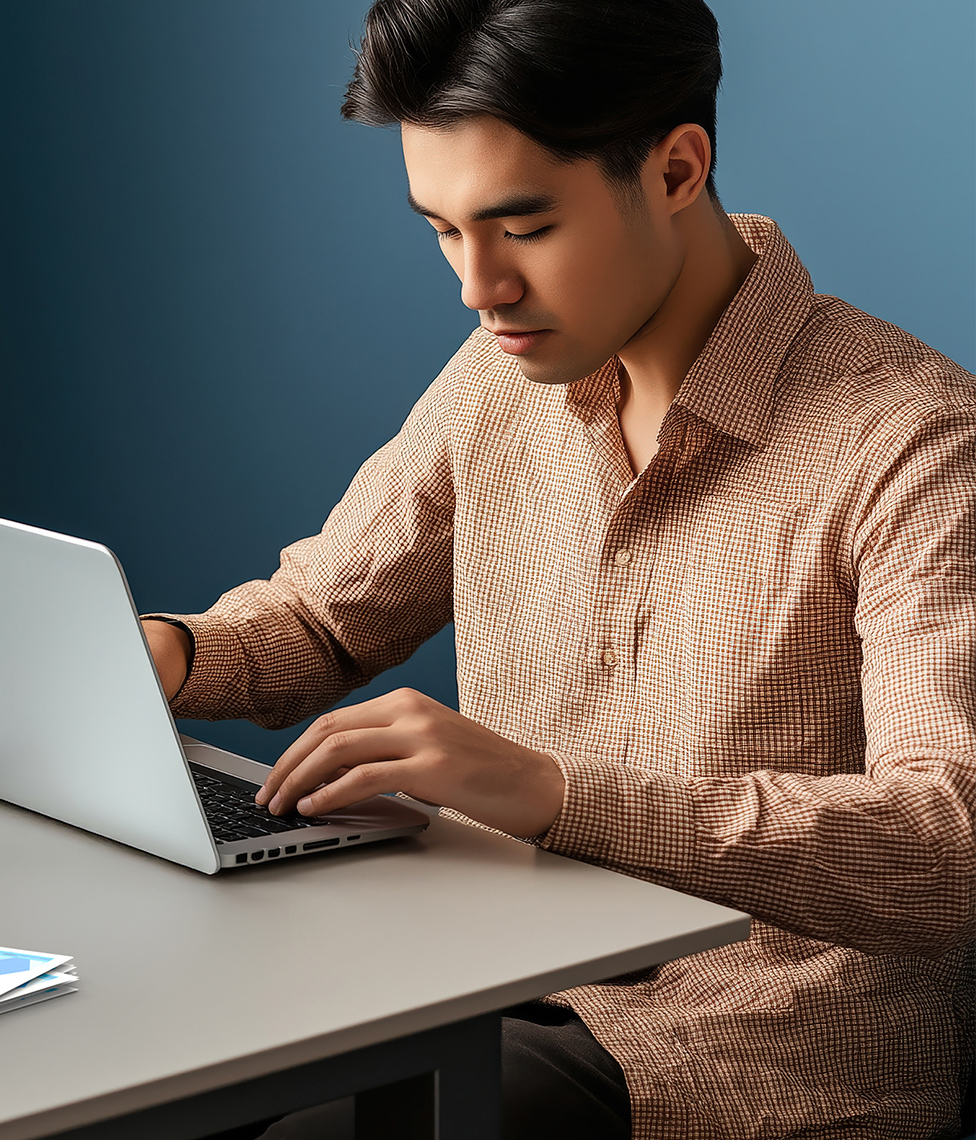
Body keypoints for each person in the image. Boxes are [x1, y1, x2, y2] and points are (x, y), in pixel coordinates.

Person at [139, 1, 976, 1137]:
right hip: (487, 968)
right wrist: (170, 655)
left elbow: (948, 846)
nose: (478, 287)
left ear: (677, 168)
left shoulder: (916, 443)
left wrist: (556, 797)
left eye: (523, 227)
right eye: (443, 229)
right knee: (148, 1074)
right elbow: (326, 621)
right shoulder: (500, 380)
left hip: (756, 1045)